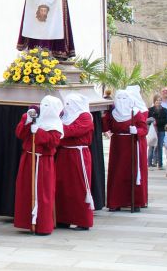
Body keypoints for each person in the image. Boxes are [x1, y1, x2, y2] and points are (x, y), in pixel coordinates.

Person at [14, 96, 63, 235]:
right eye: (43, 105)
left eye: (48, 106)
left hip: (43, 161)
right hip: (29, 157)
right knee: (26, 190)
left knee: (43, 192)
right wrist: (27, 123)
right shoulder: (31, 116)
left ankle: (43, 225)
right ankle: (27, 222)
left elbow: (53, 142)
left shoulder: (55, 124)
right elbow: (19, 134)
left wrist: (39, 132)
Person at [103, 89, 148, 211]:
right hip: (117, 145)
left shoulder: (136, 113)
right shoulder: (112, 114)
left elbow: (144, 129)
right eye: (119, 98)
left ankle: (135, 201)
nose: (121, 101)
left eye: (124, 98)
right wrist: (104, 114)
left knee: (131, 172)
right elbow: (105, 126)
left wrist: (137, 131)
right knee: (117, 172)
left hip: (131, 145)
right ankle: (115, 202)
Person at [55, 94, 94, 230]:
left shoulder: (85, 116)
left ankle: (82, 220)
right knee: (62, 186)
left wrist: (55, 128)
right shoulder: (64, 117)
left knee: (79, 187)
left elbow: (73, 131)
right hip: (64, 154)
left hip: (78, 155)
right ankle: (63, 218)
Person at [147, 95, 167, 169]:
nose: (158, 102)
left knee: (160, 147)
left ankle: (160, 164)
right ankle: (149, 164)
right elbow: (147, 120)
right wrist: (151, 122)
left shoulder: (164, 110)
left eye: (160, 100)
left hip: (161, 130)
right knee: (151, 146)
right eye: (157, 100)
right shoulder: (150, 110)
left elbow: (165, 120)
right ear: (154, 101)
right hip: (152, 131)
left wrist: (156, 122)